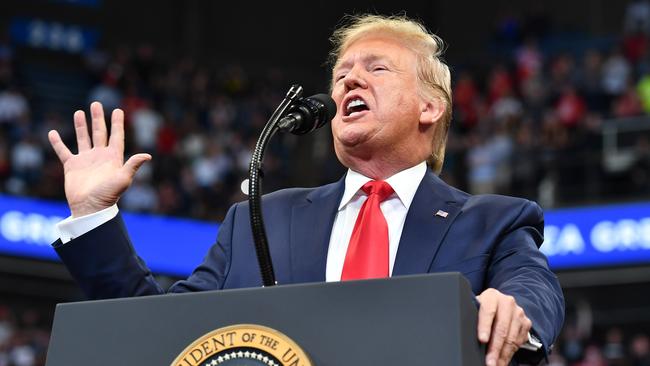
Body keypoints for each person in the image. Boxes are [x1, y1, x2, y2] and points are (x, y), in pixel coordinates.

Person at [47, 14, 564, 366]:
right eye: (341, 75)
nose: (347, 84)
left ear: (431, 107)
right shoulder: (259, 222)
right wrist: (93, 215)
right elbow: (159, 335)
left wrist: (513, 307)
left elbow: (536, 291)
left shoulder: (494, 220)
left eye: (375, 68)